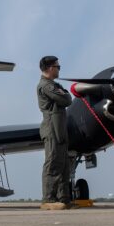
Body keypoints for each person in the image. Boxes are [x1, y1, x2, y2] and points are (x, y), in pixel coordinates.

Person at [37, 56, 74, 210]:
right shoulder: (46, 86)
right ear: (50, 68)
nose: (59, 69)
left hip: (59, 127)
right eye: (58, 66)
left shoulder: (54, 85)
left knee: (64, 164)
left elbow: (67, 97)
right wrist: (65, 95)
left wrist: (65, 95)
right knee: (53, 163)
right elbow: (67, 99)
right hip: (52, 128)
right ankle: (48, 199)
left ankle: (63, 199)